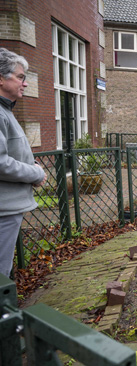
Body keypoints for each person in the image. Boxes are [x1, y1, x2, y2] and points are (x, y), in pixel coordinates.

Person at [0, 48, 46, 278]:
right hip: (3, 209)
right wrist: (35, 173)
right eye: (20, 77)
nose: (25, 84)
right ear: (0, 79)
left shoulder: (6, 111)